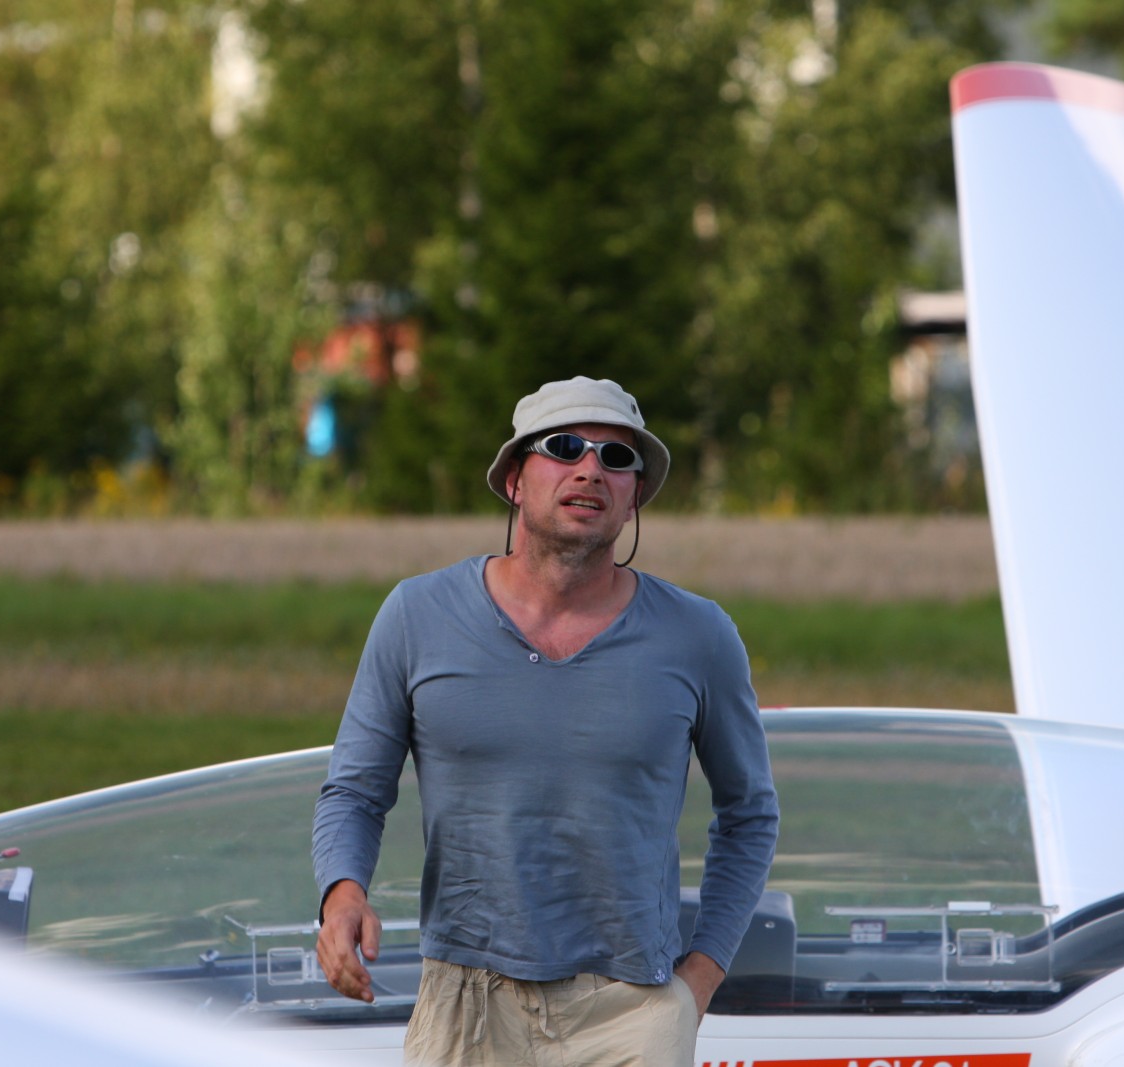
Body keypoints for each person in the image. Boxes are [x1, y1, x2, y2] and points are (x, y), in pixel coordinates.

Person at [312, 376, 779, 1066]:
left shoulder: (699, 635)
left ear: (634, 497)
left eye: (617, 458)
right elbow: (354, 790)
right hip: (465, 1002)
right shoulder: (416, 615)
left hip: (633, 1010)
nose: (590, 469)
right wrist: (342, 895)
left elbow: (749, 814)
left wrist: (698, 981)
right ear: (513, 480)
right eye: (564, 448)